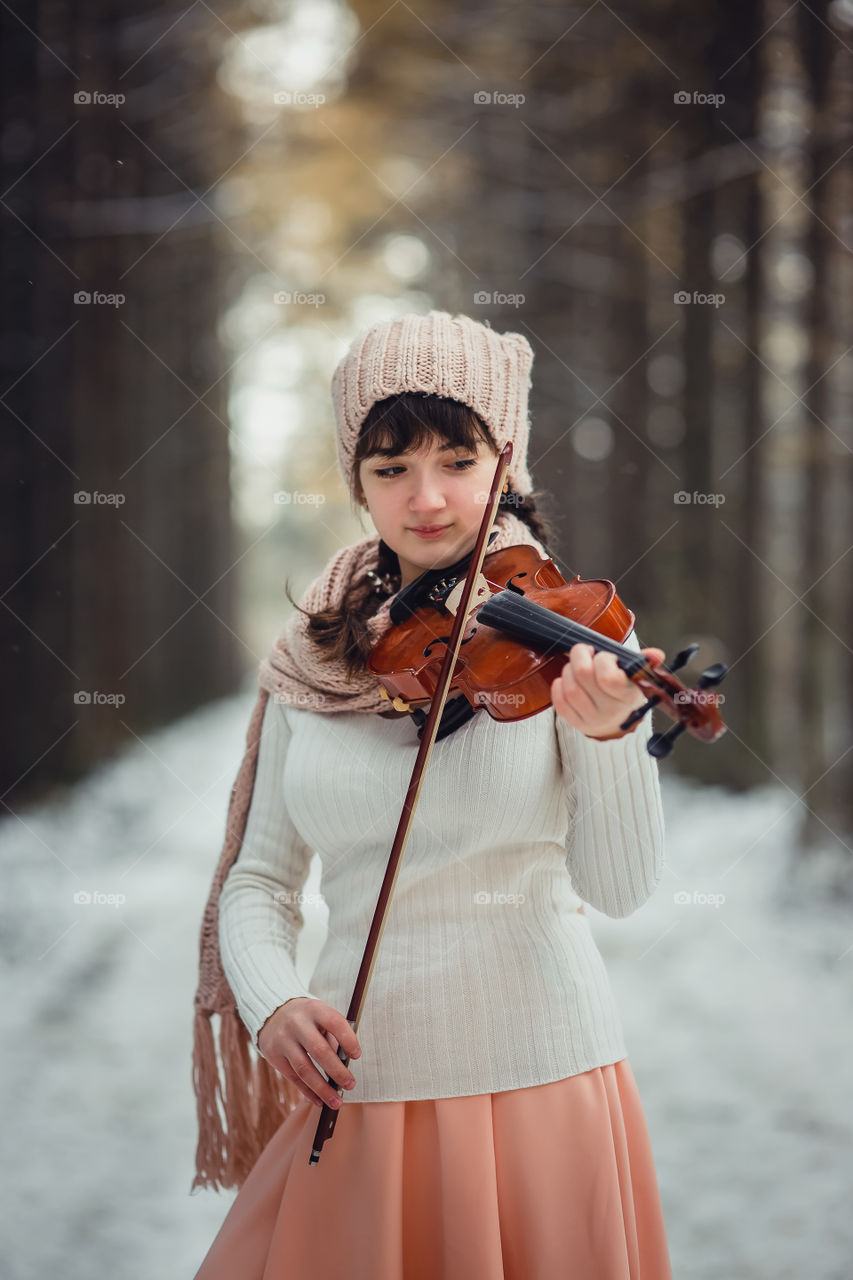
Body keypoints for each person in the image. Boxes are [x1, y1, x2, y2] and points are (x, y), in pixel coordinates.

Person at [191, 310, 673, 1279]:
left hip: (543, 1079)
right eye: (390, 467)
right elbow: (260, 880)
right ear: (355, 480)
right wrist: (273, 1000)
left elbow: (619, 887)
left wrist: (612, 735)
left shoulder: (565, 640)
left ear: (506, 460)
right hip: (360, 1088)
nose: (427, 498)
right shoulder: (312, 658)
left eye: (457, 459)